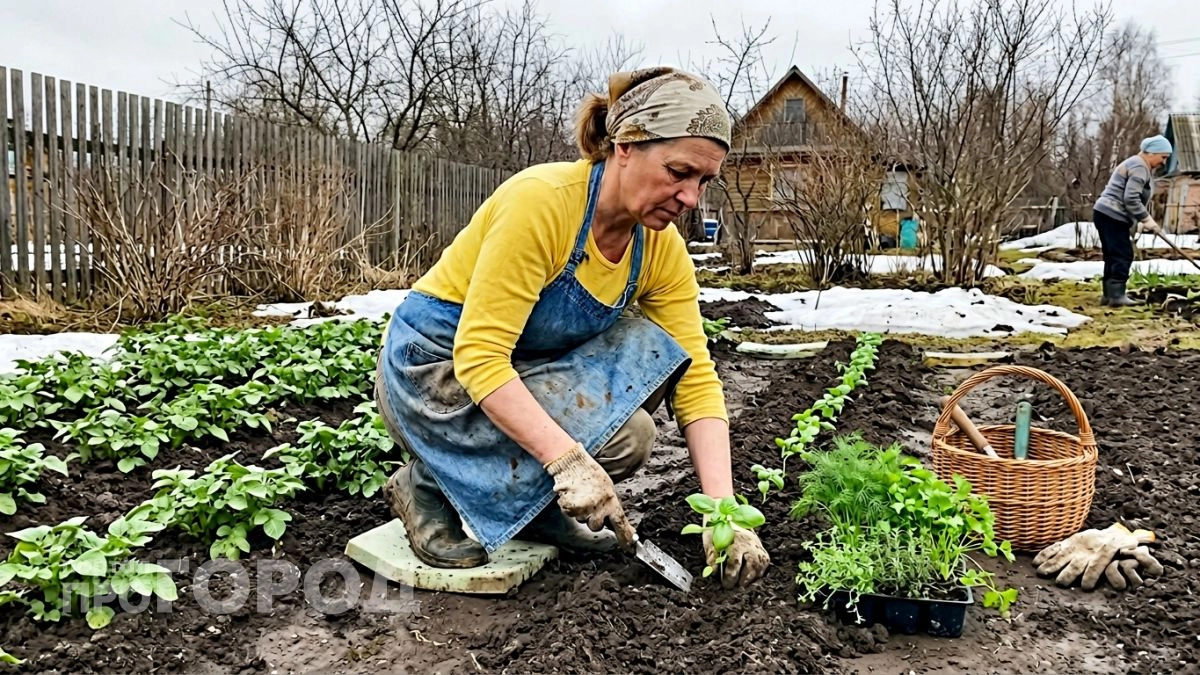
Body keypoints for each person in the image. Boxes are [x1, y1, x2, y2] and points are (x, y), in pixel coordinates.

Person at [372, 66, 770, 590]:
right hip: (434, 374)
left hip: (523, 372)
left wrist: (724, 510)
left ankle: (535, 510)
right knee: (589, 438)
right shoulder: (541, 203)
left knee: (633, 426)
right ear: (625, 145)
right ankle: (425, 487)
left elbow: (694, 377)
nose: (690, 197)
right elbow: (480, 355)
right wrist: (566, 462)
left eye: (703, 180)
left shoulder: (660, 248)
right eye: (678, 171)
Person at [1091, 134, 1174, 306]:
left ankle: (1110, 295)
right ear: (1151, 153)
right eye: (1163, 157)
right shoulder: (1139, 166)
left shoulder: (1136, 164)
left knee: (1113, 255)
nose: (1164, 162)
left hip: (1105, 213)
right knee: (1123, 254)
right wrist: (1147, 219)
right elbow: (1131, 198)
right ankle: (1116, 296)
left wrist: (1139, 221)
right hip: (1113, 214)